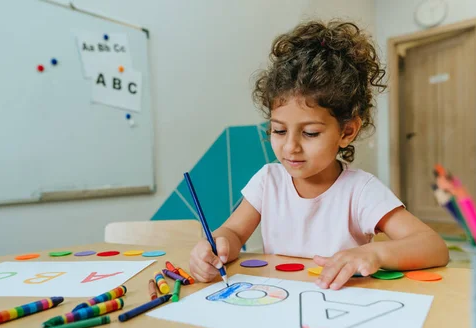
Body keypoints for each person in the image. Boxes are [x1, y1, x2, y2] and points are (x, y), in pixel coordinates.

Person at [189, 19, 449, 289]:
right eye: (278, 131)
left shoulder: (360, 191)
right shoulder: (268, 181)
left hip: (339, 306)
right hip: (278, 303)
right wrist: (215, 246)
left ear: (347, 131)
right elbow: (232, 232)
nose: (290, 147)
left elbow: (433, 246)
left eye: (310, 133)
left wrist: (374, 253)